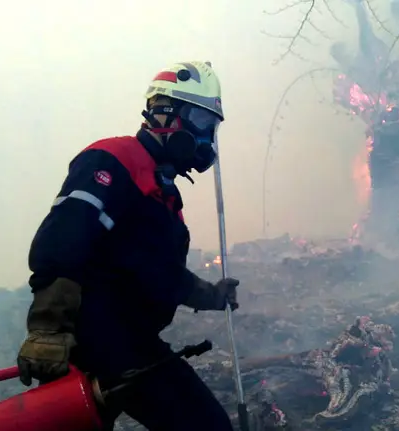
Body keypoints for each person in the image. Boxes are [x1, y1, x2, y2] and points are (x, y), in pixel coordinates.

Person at [15, 61, 239, 431]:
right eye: (201, 123)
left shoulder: (162, 193)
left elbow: (159, 275)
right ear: (165, 113)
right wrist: (48, 330)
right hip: (97, 338)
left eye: (211, 129)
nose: (206, 139)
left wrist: (213, 296)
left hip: (133, 339)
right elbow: (63, 240)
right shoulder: (113, 159)